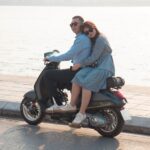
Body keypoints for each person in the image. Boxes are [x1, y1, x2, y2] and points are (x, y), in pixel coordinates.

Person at [56, 21, 115, 127]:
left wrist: (79, 65)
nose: (89, 33)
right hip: (96, 67)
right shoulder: (94, 39)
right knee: (77, 78)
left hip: (104, 68)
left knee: (86, 85)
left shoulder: (101, 39)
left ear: (95, 28)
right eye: (86, 33)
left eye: (90, 30)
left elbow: (94, 57)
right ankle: (72, 105)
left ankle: (82, 113)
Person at [40, 16, 91, 110]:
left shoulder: (81, 39)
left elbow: (68, 55)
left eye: (75, 24)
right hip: (82, 69)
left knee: (48, 75)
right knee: (63, 79)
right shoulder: (84, 38)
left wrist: (50, 58)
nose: (73, 26)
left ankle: (57, 105)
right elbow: (73, 54)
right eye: (71, 24)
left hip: (78, 71)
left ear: (82, 25)